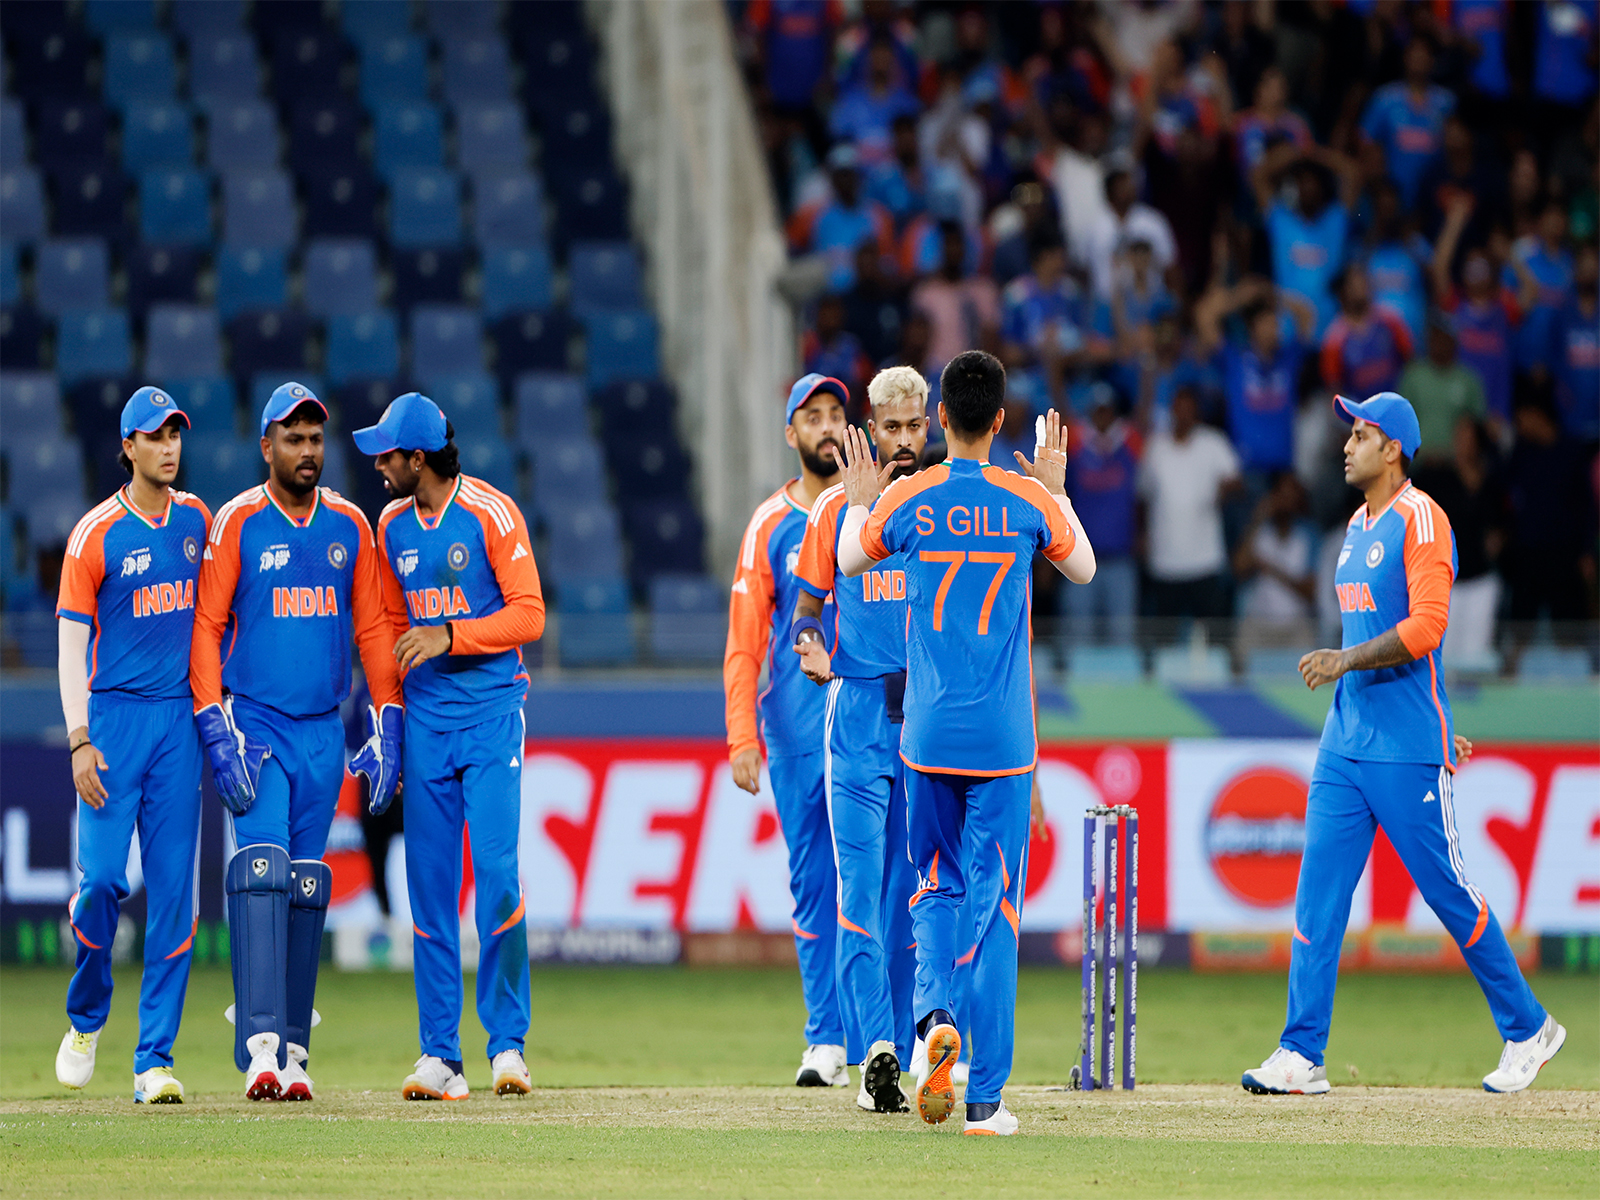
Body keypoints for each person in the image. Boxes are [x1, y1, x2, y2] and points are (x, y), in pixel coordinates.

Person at [1243, 391, 1565, 1096]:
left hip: (1403, 750)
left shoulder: (1424, 519)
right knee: (1318, 898)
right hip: (1344, 744)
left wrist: (1350, 665)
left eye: (1360, 435)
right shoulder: (1356, 525)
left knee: (1448, 893)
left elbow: (1427, 628)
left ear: (1393, 449)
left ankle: (1529, 1027)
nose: (1346, 446)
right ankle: (1301, 1053)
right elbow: (1387, 633)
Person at [834, 351, 1097, 1135]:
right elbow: (1084, 570)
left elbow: (849, 558)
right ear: (1000, 420)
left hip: (925, 736)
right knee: (996, 910)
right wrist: (1056, 489)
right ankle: (984, 1100)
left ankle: (933, 1017)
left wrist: (858, 503)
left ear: (941, 419)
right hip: (1004, 744)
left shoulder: (909, 496)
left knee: (933, 888)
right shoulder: (1027, 500)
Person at [192, 383, 404, 1102]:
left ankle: (293, 1051)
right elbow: (206, 627)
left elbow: (374, 629)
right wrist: (214, 725)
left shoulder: (349, 525)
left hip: (323, 731)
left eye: (315, 439)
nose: (307, 451)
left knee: (307, 886)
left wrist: (387, 722)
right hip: (257, 724)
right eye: (293, 438)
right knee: (264, 873)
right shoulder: (238, 521)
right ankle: (260, 1050)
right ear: (267, 447)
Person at [357, 393, 543, 1102]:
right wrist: (390, 721)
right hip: (427, 726)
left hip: (492, 718)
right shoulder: (390, 524)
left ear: (419, 458)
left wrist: (452, 636)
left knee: (496, 878)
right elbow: (387, 624)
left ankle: (508, 1046)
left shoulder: (491, 512)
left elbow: (530, 613)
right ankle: (441, 1056)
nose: (378, 465)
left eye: (388, 454)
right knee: (429, 890)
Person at [53, 387, 211, 1104]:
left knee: (175, 896)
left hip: (178, 723)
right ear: (128, 447)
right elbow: (70, 644)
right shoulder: (95, 534)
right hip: (112, 724)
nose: (168, 447)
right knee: (101, 886)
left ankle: (154, 1061)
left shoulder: (198, 519)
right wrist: (79, 740)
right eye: (154, 436)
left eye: (175, 434)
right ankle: (86, 1018)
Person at [791, 365, 930, 1114]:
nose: (903, 441)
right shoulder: (833, 510)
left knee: (919, 894)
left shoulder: (947, 507)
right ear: (870, 430)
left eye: (914, 427)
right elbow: (806, 609)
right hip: (857, 716)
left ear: (930, 425)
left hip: (932, 720)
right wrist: (811, 646)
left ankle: (915, 1043)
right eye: (891, 428)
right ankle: (875, 1047)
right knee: (860, 890)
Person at [724, 373, 848, 1089]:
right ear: (791, 434)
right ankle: (825, 1038)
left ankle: (888, 1034)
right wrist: (741, 734)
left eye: (835, 414)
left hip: (868, 720)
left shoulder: (874, 510)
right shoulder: (770, 523)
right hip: (797, 728)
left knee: (885, 876)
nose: (826, 426)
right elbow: (744, 639)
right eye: (813, 416)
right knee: (814, 881)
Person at [1137, 385, 1242, 622]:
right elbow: (1142, 496)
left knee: (1211, 633)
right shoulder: (1155, 447)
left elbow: (1238, 482)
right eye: (1179, 408)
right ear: (1172, 410)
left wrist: (1224, 488)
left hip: (1205, 560)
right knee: (1165, 636)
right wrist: (1142, 534)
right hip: (1164, 560)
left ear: (1196, 412)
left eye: (1189, 409)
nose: (1183, 414)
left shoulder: (1213, 442)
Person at [1062, 386, 1140, 644]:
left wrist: (1148, 371)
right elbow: (1061, 417)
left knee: (1122, 638)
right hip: (1080, 559)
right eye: (1098, 411)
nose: (1103, 417)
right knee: (1078, 638)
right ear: (1091, 414)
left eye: (1107, 411)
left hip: (1119, 560)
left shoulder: (1127, 446)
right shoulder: (1077, 447)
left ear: (1114, 413)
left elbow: (1143, 419)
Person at [1358, 35, 1454, 210]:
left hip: (1433, 197)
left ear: (1432, 61)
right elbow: (1366, 141)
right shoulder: (1384, 99)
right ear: (1405, 58)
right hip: (1389, 199)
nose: (1418, 60)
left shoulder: (1446, 103)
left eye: (1424, 55)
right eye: (1414, 54)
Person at [1398, 313, 1487, 467]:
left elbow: (1476, 426)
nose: (1438, 342)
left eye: (1443, 337)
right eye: (1434, 337)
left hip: (1455, 466)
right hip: (1419, 465)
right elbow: (1400, 423)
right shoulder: (1413, 376)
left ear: (1453, 340)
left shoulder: (1468, 380)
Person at [1320, 265, 1413, 398]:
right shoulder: (1334, 337)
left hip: (1396, 400)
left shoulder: (1390, 320)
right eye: (1354, 286)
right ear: (1343, 292)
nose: (1361, 289)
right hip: (1358, 406)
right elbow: (1333, 383)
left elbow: (1410, 359)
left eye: (1363, 283)